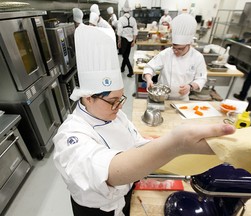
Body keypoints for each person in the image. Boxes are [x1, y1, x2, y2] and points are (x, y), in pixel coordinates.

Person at [53, 19, 235, 216]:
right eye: (113, 101)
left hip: (127, 191)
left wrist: (161, 145)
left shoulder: (114, 114)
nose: (119, 106)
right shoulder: (70, 135)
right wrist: (175, 144)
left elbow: (135, 142)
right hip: (98, 209)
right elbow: (108, 170)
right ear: (88, 98)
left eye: (121, 98)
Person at [143, 13, 207, 101]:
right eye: (174, 48)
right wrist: (149, 79)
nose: (175, 51)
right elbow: (149, 67)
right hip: (161, 97)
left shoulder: (197, 57)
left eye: (180, 49)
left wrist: (190, 86)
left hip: (182, 100)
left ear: (189, 44)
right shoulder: (167, 53)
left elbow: (201, 78)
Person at [117, 0, 138, 77]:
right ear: (129, 11)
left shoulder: (121, 19)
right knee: (126, 55)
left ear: (123, 11)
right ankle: (122, 68)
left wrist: (119, 41)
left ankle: (130, 70)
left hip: (124, 39)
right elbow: (135, 31)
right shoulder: (133, 19)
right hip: (130, 39)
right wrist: (134, 41)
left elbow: (119, 31)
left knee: (124, 55)